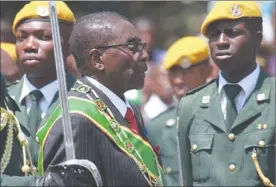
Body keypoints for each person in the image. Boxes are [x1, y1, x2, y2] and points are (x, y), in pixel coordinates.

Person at [37, 11, 164, 186]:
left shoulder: (128, 110)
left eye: (142, 45)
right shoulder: (75, 120)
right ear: (97, 59)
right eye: (133, 47)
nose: (144, 55)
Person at [178, 1, 275, 186]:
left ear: (257, 38)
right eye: (214, 35)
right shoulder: (191, 105)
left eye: (233, 33)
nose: (221, 41)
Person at [2, 1, 76, 186]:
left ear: (69, 46)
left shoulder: (86, 102)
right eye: (21, 38)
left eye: (43, 37)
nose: (29, 46)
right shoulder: (3, 101)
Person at [146, 36, 212, 186]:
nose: (177, 80)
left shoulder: (225, 117)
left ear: (208, 70)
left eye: (186, 71)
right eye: (172, 73)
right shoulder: (158, 128)